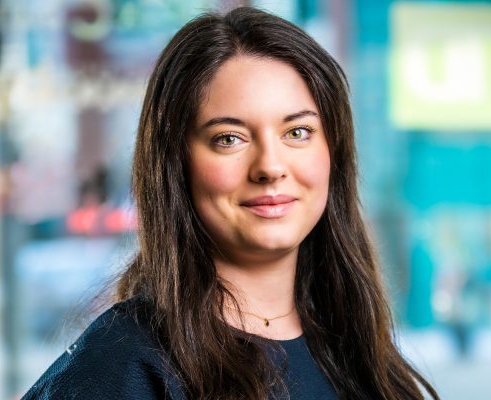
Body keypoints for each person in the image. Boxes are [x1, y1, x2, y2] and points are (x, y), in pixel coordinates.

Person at [23, 6, 439, 400]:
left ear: (335, 153)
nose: (270, 167)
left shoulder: (361, 354)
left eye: (297, 132)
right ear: (176, 165)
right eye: (229, 139)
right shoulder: (124, 365)